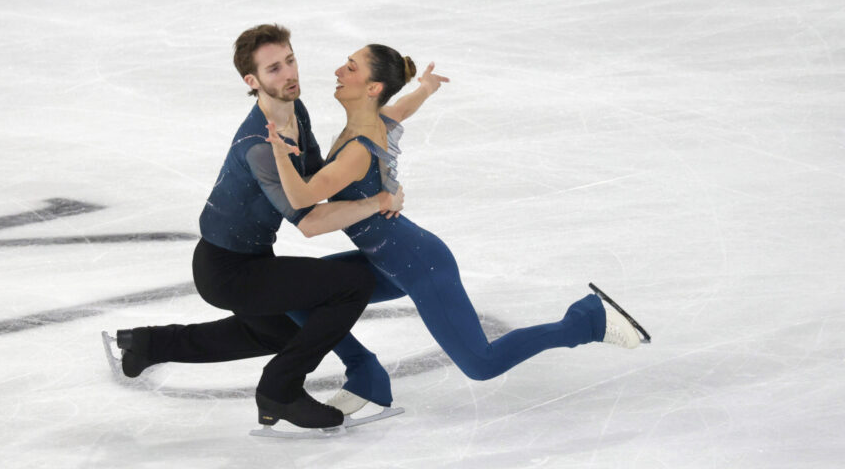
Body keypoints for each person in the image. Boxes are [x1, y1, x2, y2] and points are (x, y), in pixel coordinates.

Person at [107, 25, 441, 430]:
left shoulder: (295, 111)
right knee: (352, 282)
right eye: (273, 69)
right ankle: (279, 391)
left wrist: (408, 107)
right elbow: (310, 222)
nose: (288, 74)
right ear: (253, 81)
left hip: (250, 259)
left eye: (290, 60)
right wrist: (379, 201)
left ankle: (147, 344)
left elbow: (320, 175)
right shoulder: (261, 147)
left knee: (281, 333)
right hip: (227, 270)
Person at [265, 44, 649, 395]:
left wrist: (279, 154)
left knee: (482, 364)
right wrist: (427, 88)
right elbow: (404, 107)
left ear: (372, 88)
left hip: (419, 264)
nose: (338, 70)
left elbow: (303, 198)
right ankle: (363, 369)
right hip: (387, 261)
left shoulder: (357, 151)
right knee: (295, 296)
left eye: (350, 68)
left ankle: (586, 321)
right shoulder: (374, 121)